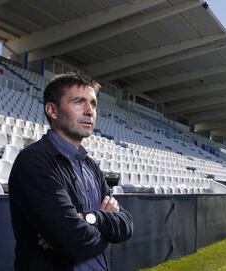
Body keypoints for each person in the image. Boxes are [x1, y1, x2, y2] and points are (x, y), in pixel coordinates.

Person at [8, 72, 133, 271]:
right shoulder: (34, 161)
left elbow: (126, 224)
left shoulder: (90, 165)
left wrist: (90, 218)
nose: (89, 111)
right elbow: (72, 240)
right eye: (78, 102)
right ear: (52, 110)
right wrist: (105, 230)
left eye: (93, 104)